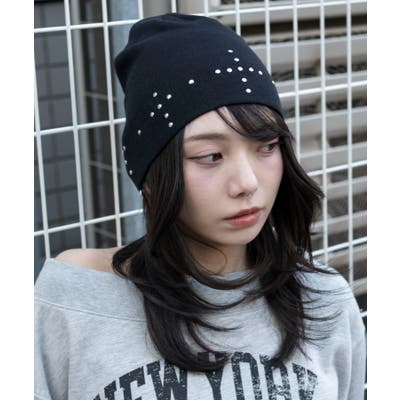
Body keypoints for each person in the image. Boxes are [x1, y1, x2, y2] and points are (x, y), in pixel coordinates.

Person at [34, 13, 366, 400]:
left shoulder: (324, 300)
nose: (247, 182)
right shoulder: (75, 299)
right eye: (210, 156)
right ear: (152, 174)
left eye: (266, 146)